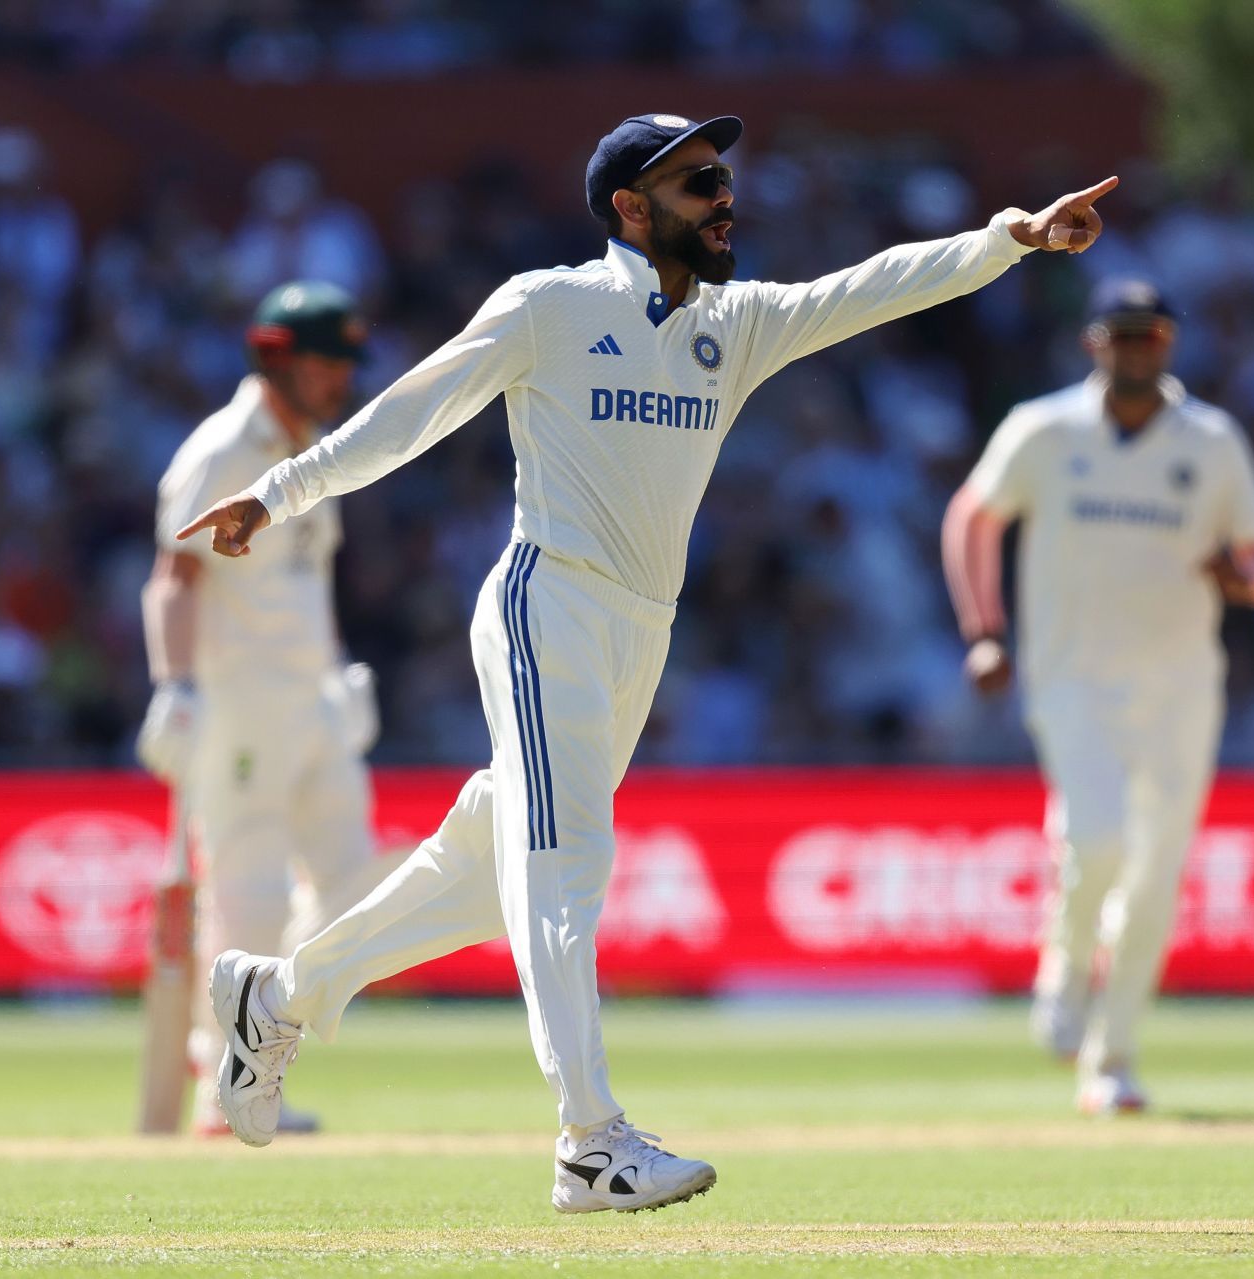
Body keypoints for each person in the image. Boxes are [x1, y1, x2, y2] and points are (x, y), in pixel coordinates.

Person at [177, 111, 1118, 1211]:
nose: (724, 197)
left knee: (486, 874)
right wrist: (283, 492)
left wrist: (1009, 239)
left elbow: (872, 287)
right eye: (696, 182)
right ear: (630, 208)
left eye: (722, 177)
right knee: (567, 864)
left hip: (639, 628)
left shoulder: (738, 322)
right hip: (548, 604)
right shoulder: (552, 305)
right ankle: (590, 1137)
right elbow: (411, 413)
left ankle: (277, 998)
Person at [941, 278, 1254, 1115]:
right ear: (1094, 342)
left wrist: (1246, 579)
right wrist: (984, 629)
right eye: (1123, 335)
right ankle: (1063, 973)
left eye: (1152, 336)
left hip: (1180, 685)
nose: (1138, 349)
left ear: (1171, 343)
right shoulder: (1044, 429)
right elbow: (973, 517)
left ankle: (1114, 1056)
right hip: (1071, 675)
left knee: (1157, 873)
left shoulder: (1210, 441)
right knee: (1096, 838)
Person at [136, 281, 384, 1137]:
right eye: (326, 362)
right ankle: (222, 1084)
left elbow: (311, 578)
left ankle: (261, 1027)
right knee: (246, 896)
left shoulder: (318, 450)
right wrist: (176, 683)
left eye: (346, 363)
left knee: (355, 880)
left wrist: (340, 668)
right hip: (239, 706)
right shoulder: (221, 448)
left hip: (312, 701)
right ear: (276, 357)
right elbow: (176, 576)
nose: (340, 380)